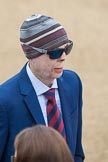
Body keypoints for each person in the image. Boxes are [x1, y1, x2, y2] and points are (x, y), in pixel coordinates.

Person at [0, 14, 85, 162]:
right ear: (31, 54)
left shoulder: (73, 83)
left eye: (67, 48)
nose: (63, 57)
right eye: (55, 52)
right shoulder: (4, 101)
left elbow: (76, 151)